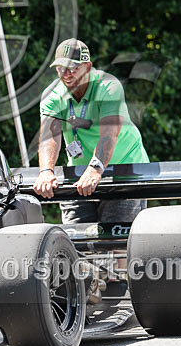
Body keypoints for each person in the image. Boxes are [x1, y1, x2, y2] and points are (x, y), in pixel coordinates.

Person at [33, 39, 148, 225]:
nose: (67, 74)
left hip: (125, 167)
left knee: (115, 242)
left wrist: (95, 169)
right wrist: (46, 171)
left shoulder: (108, 86)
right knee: (76, 241)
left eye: (74, 68)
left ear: (87, 67)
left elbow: (109, 134)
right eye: (61, 68)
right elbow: (49, 136)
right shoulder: (52, 94)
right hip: (79, 172)